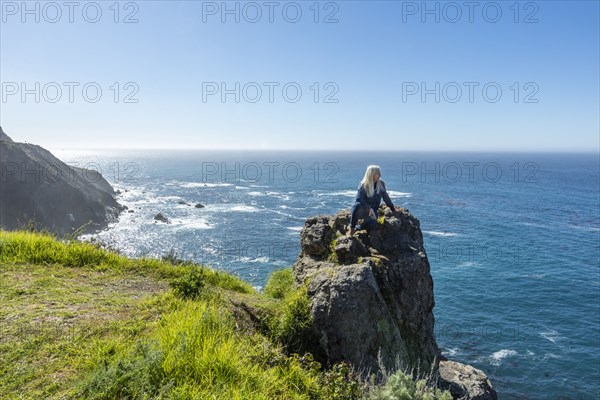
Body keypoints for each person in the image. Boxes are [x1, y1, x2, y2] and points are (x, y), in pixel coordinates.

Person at [348, 165, 396, 236]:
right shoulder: (363, 185)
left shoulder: (381, 184)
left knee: (374, 224)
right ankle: (352, 227)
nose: (380, 175)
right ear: (371, 174)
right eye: (378, 173)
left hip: (373, 211)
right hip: (362, 210)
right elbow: (359, 199)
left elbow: (386, 198)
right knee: (357, 205)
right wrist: (369, 208)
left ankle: (356, 229)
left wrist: (393, 209)